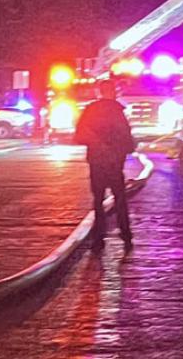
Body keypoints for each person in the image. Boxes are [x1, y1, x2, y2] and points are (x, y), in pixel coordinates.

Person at [74, 79, 136, 246]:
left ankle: (98, 237)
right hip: (114, 162)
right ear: (113, 91)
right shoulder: (117, 111)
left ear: (100, 92)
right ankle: (126, 234)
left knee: (98, 199)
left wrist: (97, 145)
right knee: (120, 198)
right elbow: (126, 138)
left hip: (97, 161)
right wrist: (124, 149)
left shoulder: (90, 110)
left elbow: (80, 134)